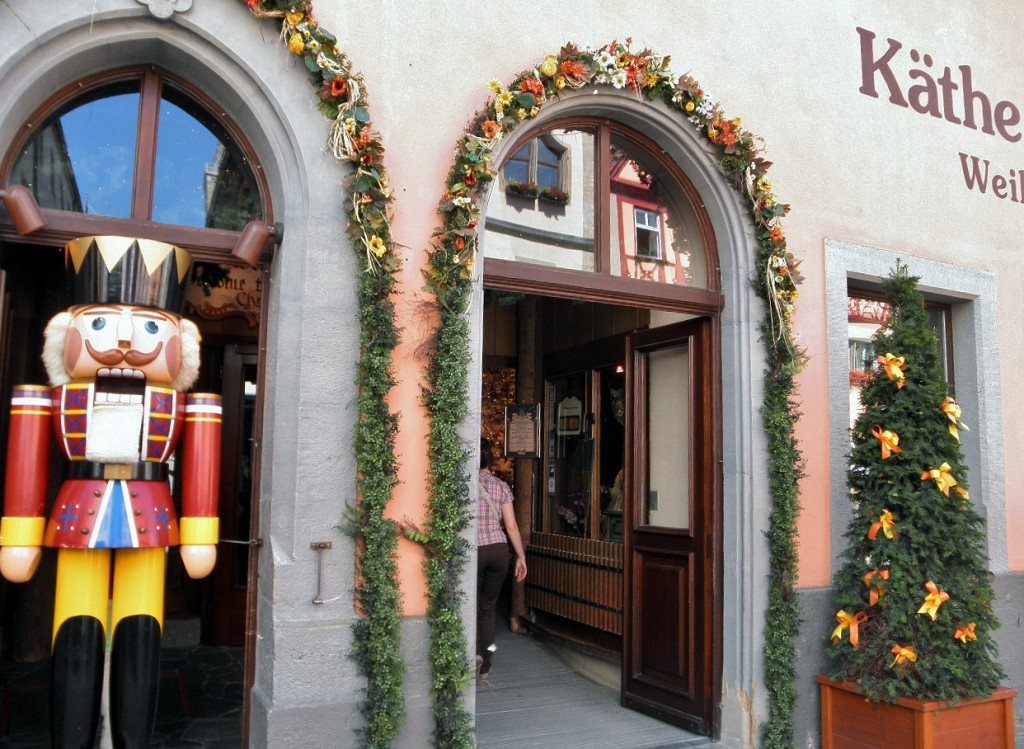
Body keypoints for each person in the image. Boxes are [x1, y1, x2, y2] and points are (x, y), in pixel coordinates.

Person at [477, 439, 527, 679]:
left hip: (475, 550)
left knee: (469, 604)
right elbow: (512, 526)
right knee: (488, 608)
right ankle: (486, 662)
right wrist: (520, 556)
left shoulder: (462, 484)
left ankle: (472, 654)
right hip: (498, 550)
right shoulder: (500, 486)